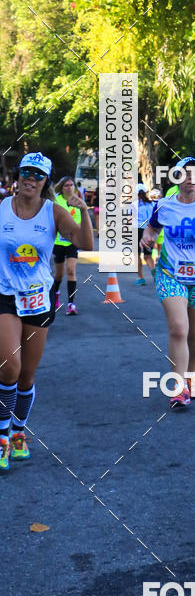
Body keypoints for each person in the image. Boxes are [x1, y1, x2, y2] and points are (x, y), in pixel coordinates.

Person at [0, 152, 93, 471]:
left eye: (37, 175)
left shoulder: (53, 212)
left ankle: (18, 433)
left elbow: (86, 244)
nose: (30, 178)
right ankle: (1, 438)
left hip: (37, 299)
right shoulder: (1, 209)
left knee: (26, 375)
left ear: (45, 182)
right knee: (8, 366)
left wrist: (83, 211)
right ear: (17, 174)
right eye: (25, 171)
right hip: (5, 295)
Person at [140, 158, 195, 410]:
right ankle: (178, 388)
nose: (190, 178)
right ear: (176, 179)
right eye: (184, 174)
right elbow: (151, 230)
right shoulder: (164, 205)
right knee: (179, 329)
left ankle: (191, 375)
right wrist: (147, 239)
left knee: (194, 332)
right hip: (170, 274)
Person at [52, 175, 83, 315]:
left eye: (72, 185)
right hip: (58, 242)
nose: (70, 188)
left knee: (71, 270)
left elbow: (80, 221)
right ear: (62, 188)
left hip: (72, 241)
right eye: (66, 185)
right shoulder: (55, 200)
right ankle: (56, 293)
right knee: (59, 274)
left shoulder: (77, 201)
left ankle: (71, 304)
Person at [136, 184, 155, 285]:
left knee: (137, 255)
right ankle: (154, 273)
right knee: (148, 256)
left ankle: (140, 278)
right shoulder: (151, 204)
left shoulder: (134, 204)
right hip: (148, 230)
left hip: (136, 230)